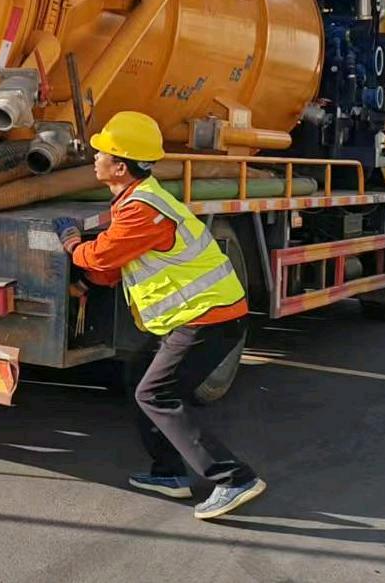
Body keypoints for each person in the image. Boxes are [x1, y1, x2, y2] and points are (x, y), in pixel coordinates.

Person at [53, 110, 266, 521]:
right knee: (139, 377)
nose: (94, 156)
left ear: (120, 165)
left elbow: (98, 253)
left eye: (102, 152)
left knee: (156, 394)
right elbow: (115, 264)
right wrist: (88, 283)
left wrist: (71, 241)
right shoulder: (133, 200)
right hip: (191, 318)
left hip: (208, 318)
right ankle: (169, 474)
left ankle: (234, 478)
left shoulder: (142, 209)